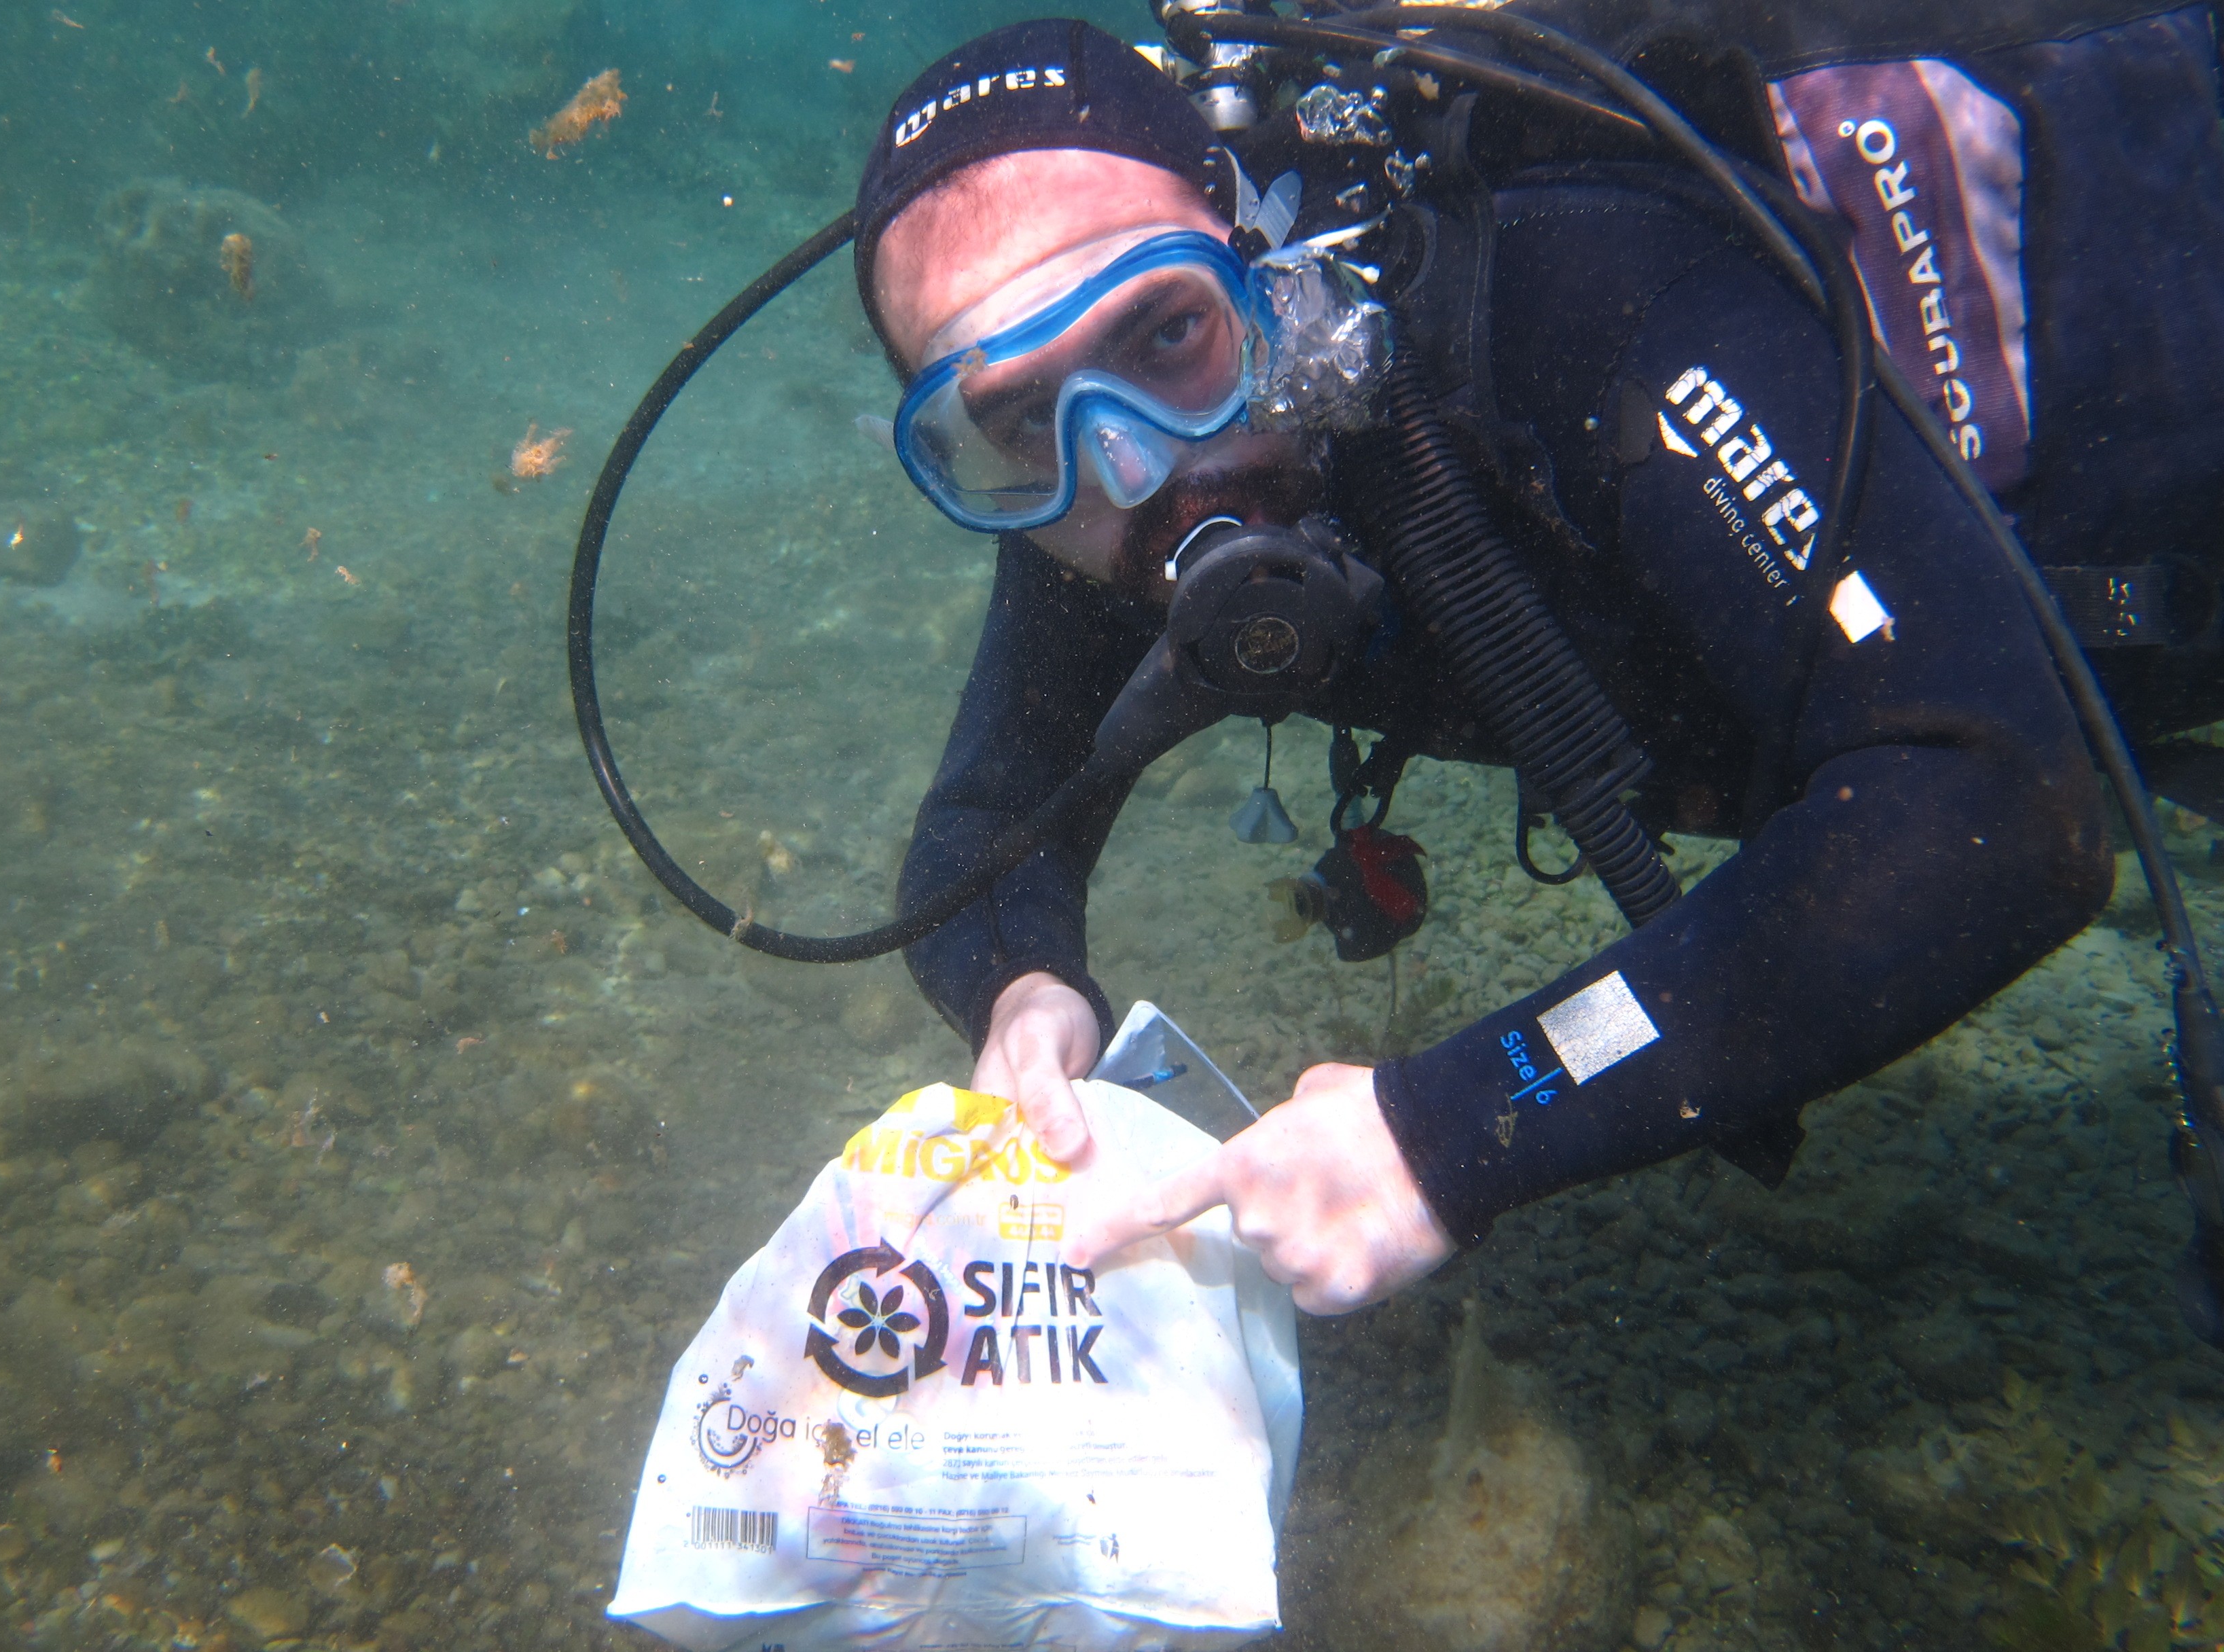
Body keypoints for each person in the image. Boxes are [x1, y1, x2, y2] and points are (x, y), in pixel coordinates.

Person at [851, 11, 2224, 1313]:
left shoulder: (1590, 300)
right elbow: (986, 824)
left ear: (1265, 258)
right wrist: (1024, 991)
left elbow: (1995, 804)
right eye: (1018, 419)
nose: (1137, 458)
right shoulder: (1095, 503)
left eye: (1167, 331)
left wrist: (1443, 1133)